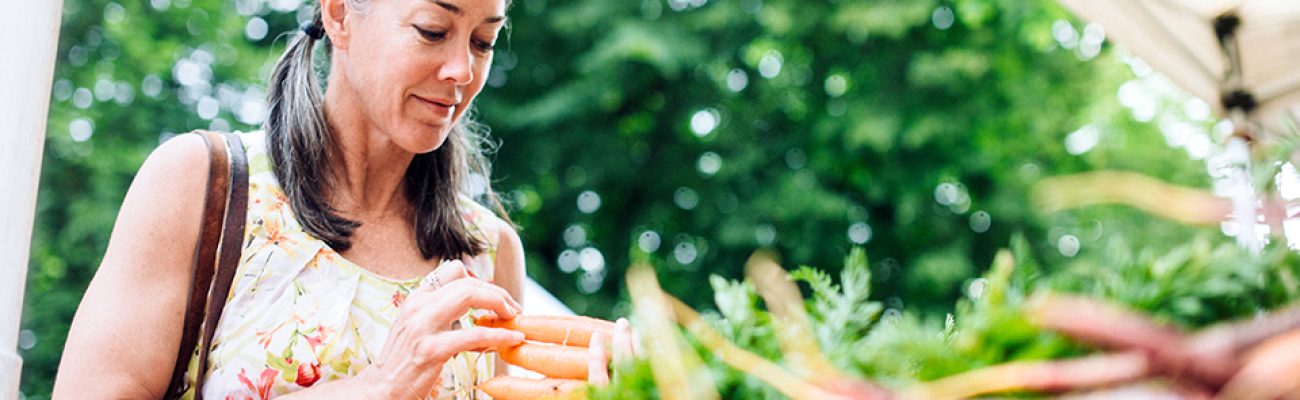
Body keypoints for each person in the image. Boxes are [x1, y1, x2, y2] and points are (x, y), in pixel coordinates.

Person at [53, 0, 630, 398]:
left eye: (484, 41)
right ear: (338, 15)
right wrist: (379, 387)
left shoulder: (489, 251)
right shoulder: (205, 185)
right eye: (433, 29)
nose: (462, 70)